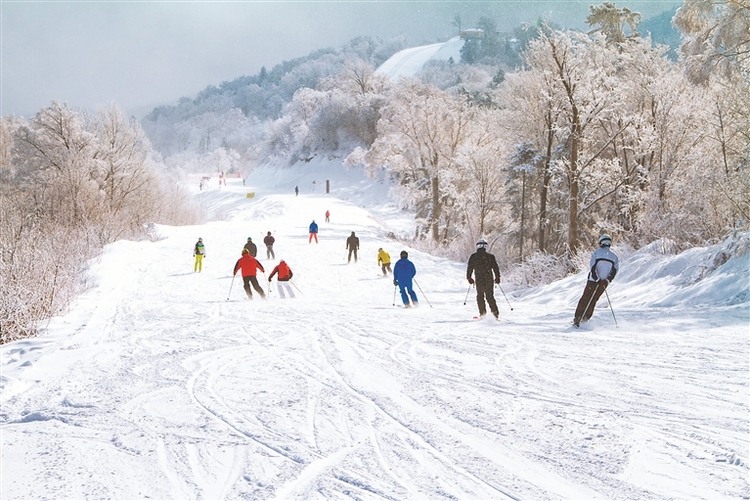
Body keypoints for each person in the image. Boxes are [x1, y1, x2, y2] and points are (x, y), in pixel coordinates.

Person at [573, 234, 619, 327]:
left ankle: (578, 318)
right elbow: (614, 271)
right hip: (603, 283)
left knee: (585, 298)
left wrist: (597, 278)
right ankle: (585, 319)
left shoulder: (597, 253)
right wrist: (606, 280)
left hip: (593, 280)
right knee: (593, 300)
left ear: (601, 242)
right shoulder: (614, 256)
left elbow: (593, 267)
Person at [466, 238, 501, 319]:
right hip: (489, 279)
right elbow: (496, 267)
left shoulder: (474, 256)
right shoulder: (490, 257)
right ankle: (495, 314)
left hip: (479, 279)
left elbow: (470, 267)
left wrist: (469, 277)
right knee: (490, 296)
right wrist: (497, 277)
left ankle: (483, 313)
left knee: (480, 296)